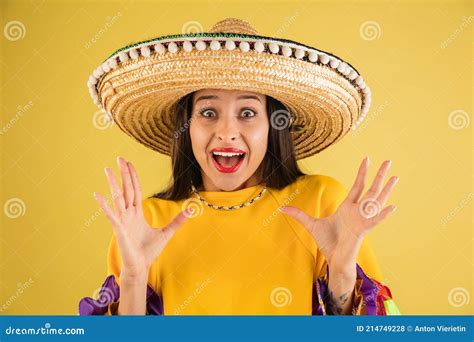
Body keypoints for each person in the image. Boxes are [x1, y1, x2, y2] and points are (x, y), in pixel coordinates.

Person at [79, 18, 400, 316]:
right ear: (186, 125)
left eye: (247, 113)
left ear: (273, 125)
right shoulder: (147, 222)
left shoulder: (320, 202)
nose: (227, 131)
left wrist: (342, 273)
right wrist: (134, 279)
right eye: (208, 112)